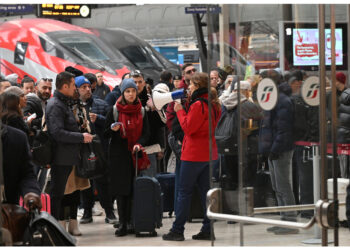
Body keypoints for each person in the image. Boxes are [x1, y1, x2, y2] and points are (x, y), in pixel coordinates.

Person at [163, 72, 221, 241]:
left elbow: (188, 128)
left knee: (184, 192)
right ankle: (207, 228)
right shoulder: (214, 104)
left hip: (193, 154)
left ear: (198, 86)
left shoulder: (197, 105)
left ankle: (177, 230)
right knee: (206, 193)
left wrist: (180, 111)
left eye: (191, 84)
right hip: (209, 153)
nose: (188, 87)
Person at [104, 78, 150, 237]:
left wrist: (139, 143)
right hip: (119, 155)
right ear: (122, 93)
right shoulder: (115, 110)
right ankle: (122, 223)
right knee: (121, 190)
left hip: (135, 154)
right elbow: (105, 133)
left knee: (133, 189)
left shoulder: (142, 110)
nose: (131, 94)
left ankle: (131, 222)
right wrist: (113, 130)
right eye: (127, 91)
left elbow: (146, 133)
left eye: (133, 91)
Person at [45, 71, 93, 222]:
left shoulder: (63, 103)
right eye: (73, 85)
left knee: (60, 194)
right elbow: (57, 132)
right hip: (60, 157)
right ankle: (53, 227)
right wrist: (81, 137)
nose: (75, 88)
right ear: (65, 86)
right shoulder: (56, 105)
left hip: (67, 156)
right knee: (56, 194)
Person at [258, 69, 298, 235]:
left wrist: (273, 149)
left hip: (280, 149)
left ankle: (290, 222)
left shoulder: (282, 100)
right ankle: (284, 220)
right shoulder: (273, 99)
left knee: (283, 186)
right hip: (274, 148)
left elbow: (283, 129)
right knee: (277, 186)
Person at [74, 75, 117, 225]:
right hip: (82, 150)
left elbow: (111, 125)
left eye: (88, 87)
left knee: (103, 182)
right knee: (85, 182)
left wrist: (98, 118)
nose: (87, 89)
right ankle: (87, 212)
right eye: (83, 87)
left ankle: (109, 212)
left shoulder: (101, 104)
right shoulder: (74, 107)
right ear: (77, 89)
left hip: (100, 149)